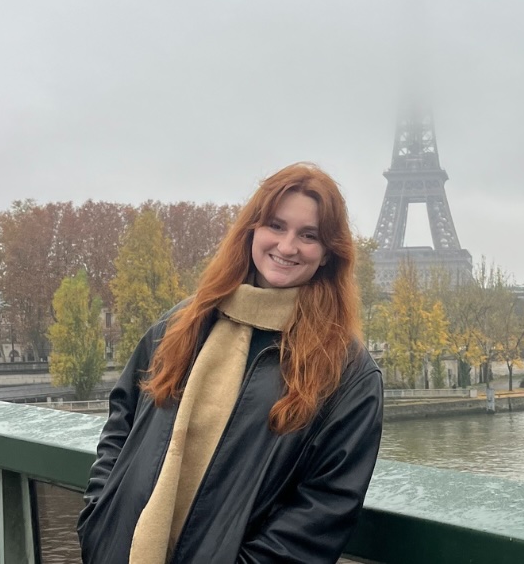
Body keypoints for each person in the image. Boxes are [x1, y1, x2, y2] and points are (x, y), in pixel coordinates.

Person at [77, 163, 384, 564]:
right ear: (252, 230)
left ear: (329, 253)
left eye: (308, 236)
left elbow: (325, 505)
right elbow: (123, 419)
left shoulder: (347, 372)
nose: (287, 246)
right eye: (276, 226)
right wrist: (100, 518)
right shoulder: (181, 323)